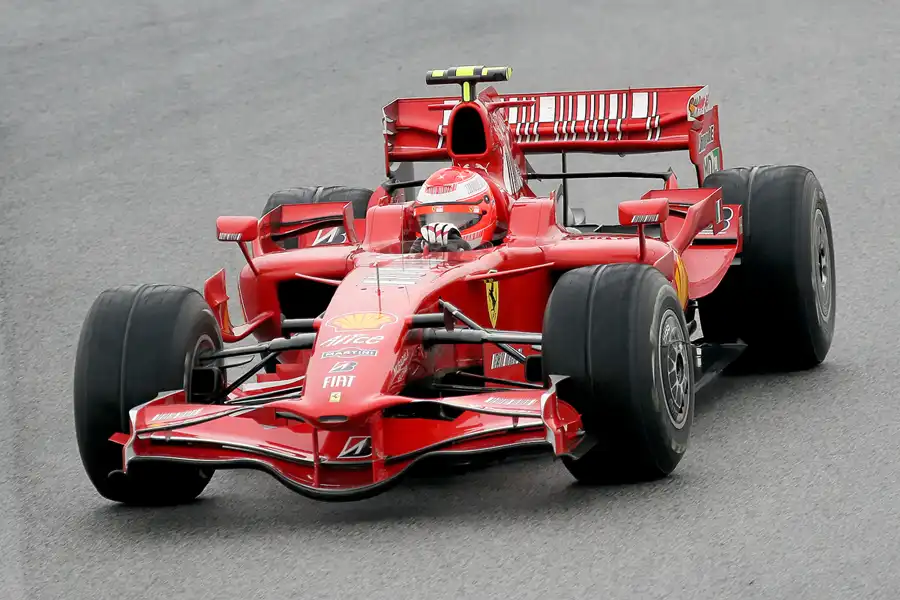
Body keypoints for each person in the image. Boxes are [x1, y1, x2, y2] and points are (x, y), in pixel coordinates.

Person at [409, 166, 505, 252]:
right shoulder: (417, 247)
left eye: (455, 218)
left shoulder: (504, 257)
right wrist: (414, 259)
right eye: (434, 219)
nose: (441, 229)